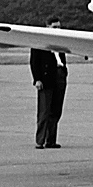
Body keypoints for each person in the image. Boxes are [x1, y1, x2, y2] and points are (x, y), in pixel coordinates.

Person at [30, 15, 68, 149]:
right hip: (46, 78)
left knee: (56, 111)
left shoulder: (61, 41)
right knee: (44, 111)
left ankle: (51, 140)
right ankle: (40, 141)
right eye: (55, 27)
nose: (58, 29)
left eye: (59, 26)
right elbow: (34, 62)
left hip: (60, 75)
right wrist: (37, 79)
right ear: (47, 27)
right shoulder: (39, 41)